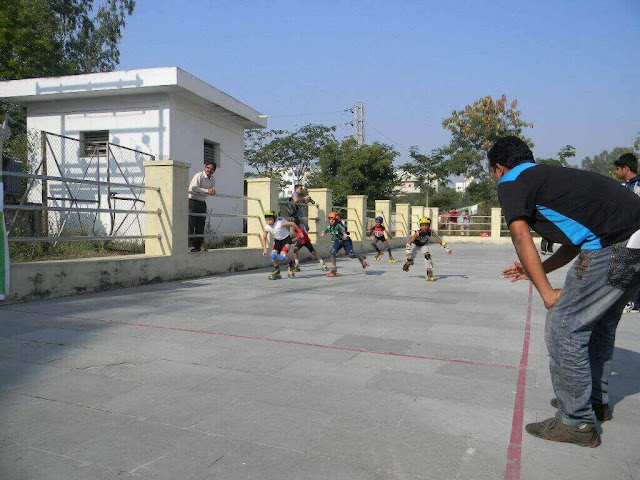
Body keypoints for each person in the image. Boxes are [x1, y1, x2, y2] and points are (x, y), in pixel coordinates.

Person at [492, 136, 640, 448]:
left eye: (493, 173)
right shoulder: (554, 178)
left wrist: (546, 293)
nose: (495, 179)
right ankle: (594, 403)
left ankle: (576, 421)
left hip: (614, 246)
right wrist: (540, 271)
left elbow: (520, 236)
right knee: (599, 324)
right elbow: (577, 239)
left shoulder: (511, 180)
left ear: (500, 167)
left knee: (564, 326)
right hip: (633, 241)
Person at [614, 153, 640, 313]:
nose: (616, 172)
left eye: (617, 169)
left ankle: (633, 302)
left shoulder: (638, 186)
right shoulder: (626, 186)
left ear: (626, 168)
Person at [402, 217, 452, 281]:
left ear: (429, 226)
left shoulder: (431, 232)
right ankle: (407, 264)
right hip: (415, 245)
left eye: (426, 225)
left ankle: (429, 272)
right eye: (422, 225)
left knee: (427, 256)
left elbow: (439, 240)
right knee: (410, 258)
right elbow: (410, 242)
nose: (424, 227)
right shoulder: (418, 232)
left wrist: (447, 248)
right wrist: (408, 252)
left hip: (424, 245)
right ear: (420, 226)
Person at [320, 211, 369, 277]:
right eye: (330, 219)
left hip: (346, 242)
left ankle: (361, 258)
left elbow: (343, 231)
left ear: (336, 220)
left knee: (351, 255)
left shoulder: (339, 226)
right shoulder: (330, 226)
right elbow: (327, 230)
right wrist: (323, 233)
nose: (331, 221)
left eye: (333, 219)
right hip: (338, 242)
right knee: (332, 252)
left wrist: (345, 235)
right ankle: (334, 269)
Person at [261, 210, 299, 279]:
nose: (268, 221)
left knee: (283, 256)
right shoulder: (267, 227)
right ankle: (277, 269)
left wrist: (300, 232)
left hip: (286, 240)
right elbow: (264, 238)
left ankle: (290, 267)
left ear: (274, 219)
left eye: (270, 219)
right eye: (266, 220)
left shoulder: (280, 223)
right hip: (277, 241)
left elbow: (292, 224)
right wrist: (265, 249)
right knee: (272, 256)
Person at [188, 162, 216, 252]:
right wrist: (207, 191)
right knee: (191, 224)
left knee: (201, 224)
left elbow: (211, 190)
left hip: (202, 202)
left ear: (214, 171)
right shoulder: (199, 175)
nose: (209, 170)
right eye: (208, 168)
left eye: (212, 169)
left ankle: (198, 246)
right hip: (192, 202)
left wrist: (212, 192)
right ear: (205, 168)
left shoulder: (212, 179)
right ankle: (190, 245)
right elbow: (193, 188)